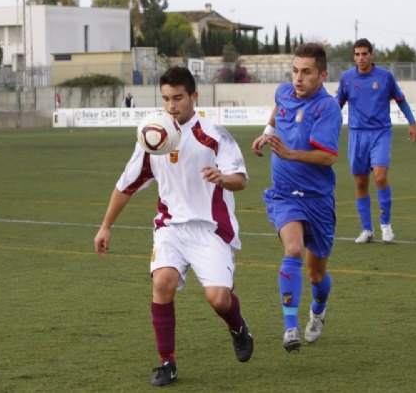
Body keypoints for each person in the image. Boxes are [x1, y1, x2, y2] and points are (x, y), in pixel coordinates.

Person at [94, 66, 253, 387]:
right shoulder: (152, 138)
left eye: (178, 98)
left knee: (219, 299)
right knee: (162, 284)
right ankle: (166, 362)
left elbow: (240, 179)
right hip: (170, 228)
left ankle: (237, 327)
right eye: (166, 98)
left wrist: (222, 177)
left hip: (210, 229)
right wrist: (105, 226)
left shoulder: (214, 135)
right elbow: (126, 185)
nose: (171, 106)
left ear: (194, 96)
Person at [252, 43, 343, 352]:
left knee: (317, 274)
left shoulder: (327, 108)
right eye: (294, 71)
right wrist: (266, 132)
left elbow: (329, 157)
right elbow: (278, 109)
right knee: (292, 249)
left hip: (317, 199)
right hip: (284, 195)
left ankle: (318, 309)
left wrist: (290, 153)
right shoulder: (284, 92)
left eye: (306, 72)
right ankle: (290, 328)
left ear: (322, 74)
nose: (298, 78)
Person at [337, 38, 416, 244]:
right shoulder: (347, 78)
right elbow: (337, 105)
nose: (361, 58)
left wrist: (412, 122)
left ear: (371, 55)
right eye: (357, 54)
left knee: (380, 177)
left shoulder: (384, 77)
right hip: (356, 134)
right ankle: (367, 229)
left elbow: (400, 100)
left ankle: (386, 225)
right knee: (361, 182)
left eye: (364, 54)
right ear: (354, 56)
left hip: (380, 132)